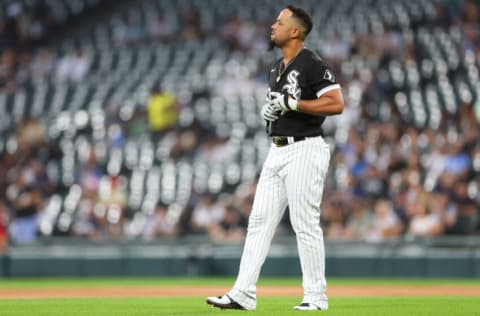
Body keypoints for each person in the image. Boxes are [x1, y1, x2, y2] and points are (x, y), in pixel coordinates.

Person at [206, 5, 344, 311]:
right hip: (277, 149)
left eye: (279, 22)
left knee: (304, 223)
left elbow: (336, 104)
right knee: (257, 222)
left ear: (295, 31)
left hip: (305, 149)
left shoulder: (311, 63)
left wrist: (292, 104)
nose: (273, 26)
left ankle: (316, 297)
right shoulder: (276, 68)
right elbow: (283, 108)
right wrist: (271, 115)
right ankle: (243, 293)